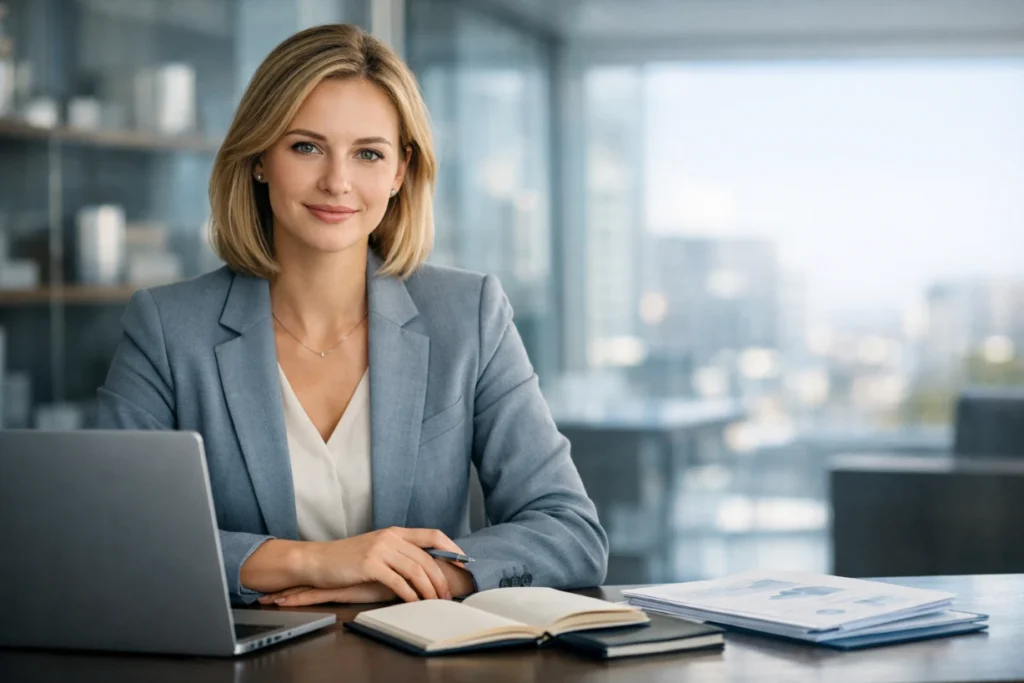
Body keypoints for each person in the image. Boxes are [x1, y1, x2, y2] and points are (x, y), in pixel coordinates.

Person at [97, 23, 608, 607]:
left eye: (368, 153)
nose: (337, 181)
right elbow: (114, 537)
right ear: (261, 156)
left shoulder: (469, 316)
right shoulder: (166, 327)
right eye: (306, 146)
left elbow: (570, 530)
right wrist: (311, 562)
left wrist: (421, 577)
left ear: (399, 172)